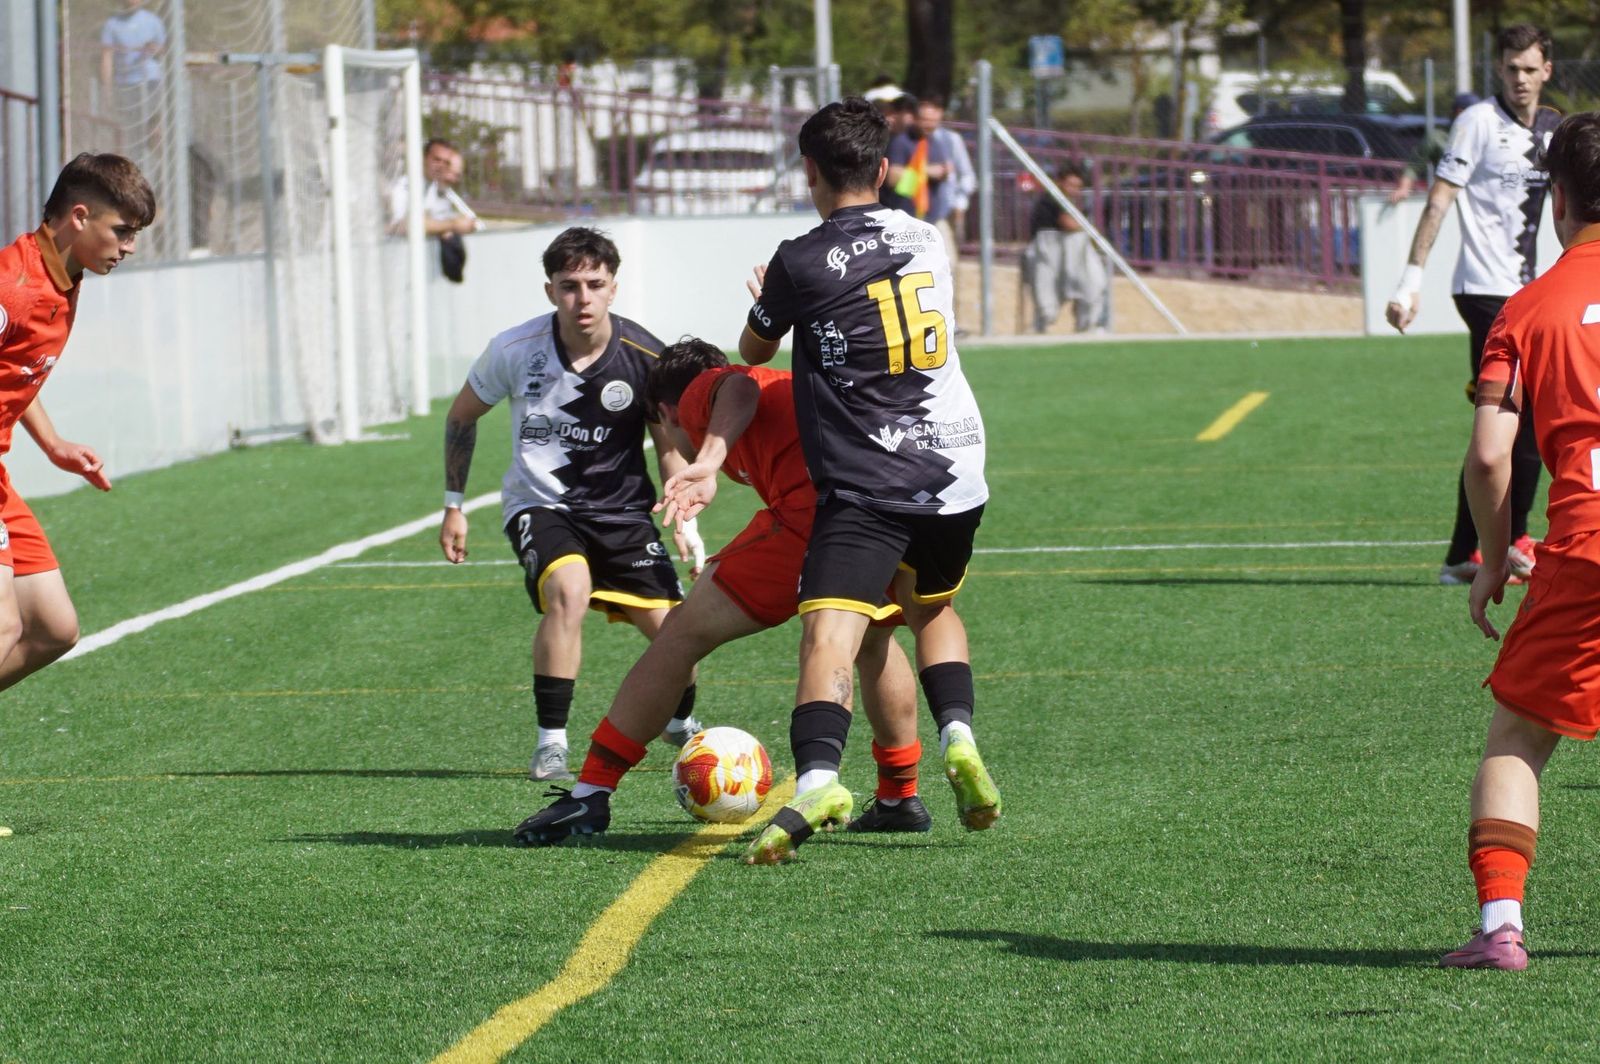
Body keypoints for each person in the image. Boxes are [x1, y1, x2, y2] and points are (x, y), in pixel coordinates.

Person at [513, 339, 934, 845]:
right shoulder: (775, 391)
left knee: (680, 634)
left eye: (665, 431)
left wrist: (710, 458)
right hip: (883, 503)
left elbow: (734, 385)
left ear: (670, 412)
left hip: (818, 515)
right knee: (873, 637)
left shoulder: (703, 390)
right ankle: (898, 795)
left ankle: (590, 793)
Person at [734, 97, 999, 865]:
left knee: (830, 631)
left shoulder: (798, 258)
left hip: (868, 477)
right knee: (933, 607)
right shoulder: (929, 235)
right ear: (884, 170)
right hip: (956, 469)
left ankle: (817, 779)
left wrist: (768, 295)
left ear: (809, 170)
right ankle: (959, 734)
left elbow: (751, 351)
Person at [438, 227, 705, 781]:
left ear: (613, 288)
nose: (581, 298)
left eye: (593, 284)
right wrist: (454, 504)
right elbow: (462, 415)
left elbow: (668, 446)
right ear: (549, 290)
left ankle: (680, 722)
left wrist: (683, 511)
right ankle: (551, 743)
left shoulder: (645, 356)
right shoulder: (513, 350)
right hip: (542, 504)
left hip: (624, 513)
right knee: (569, 590)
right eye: (568, 286)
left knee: (679, 632)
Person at [1438, 111, 1600, 971]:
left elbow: (1491, 457)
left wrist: (1495, 558)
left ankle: (1502, 927)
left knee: (1519, 737)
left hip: (1584, 554)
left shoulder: (1527, 310)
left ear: (1558, 200)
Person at [0, 154, 156, 834]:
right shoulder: (11, 289)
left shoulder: (64, 275)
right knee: (4, 626)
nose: (128, 249)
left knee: (54, 629)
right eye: (122, 232)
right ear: (79, 216)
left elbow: (17, 372)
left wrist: (53, 443)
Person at [1385, 25, 1560, 587]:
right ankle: (1510, 542)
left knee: (1506, 427)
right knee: (1520, 420)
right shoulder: (1477, 123)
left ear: (1547, 71)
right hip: (1484, 291)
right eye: (1510, 68)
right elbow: (1439, 202)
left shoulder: (1554, 129)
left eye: (1530, 69)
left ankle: (1468, 553)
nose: (1520, 79)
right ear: (1499, 71)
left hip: (1531, 292)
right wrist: (1409, 281)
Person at [1022, 161, 1109, 334]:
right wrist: (1087, 228)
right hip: (1049, 253)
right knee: (1047, 293)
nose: (1074, 190)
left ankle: (1090, 324)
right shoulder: (1052, 198)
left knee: (1093, 284)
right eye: (1070, 185)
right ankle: (1042, 325)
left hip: (1069, 256)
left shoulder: (1069, 202)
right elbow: (1068, 223)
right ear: (1060, 182)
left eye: (1078, 186)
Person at [388, 138, 481, 282]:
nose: (441, 166)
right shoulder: (403, 187)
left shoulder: (435, 189)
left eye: (446, 163)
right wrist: (451, 225)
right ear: (424, 159)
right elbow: (400, 227)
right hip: (395, 269)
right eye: (437, 160)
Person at [1387, 93, 1480, 206]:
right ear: (1459, 113)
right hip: (1447, 199)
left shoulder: (1483, 138)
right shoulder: (1437, 138)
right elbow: (1414, 166)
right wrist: (1403, 188)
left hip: (1477, 200)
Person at [99, 0, 166, 155]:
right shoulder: (112, 25)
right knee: (132, 133)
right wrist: (106, 90)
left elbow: (164, 50)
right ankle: (135, 167)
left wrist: (155, 48)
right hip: (126, 85)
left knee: (154, 129)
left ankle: (161, 165)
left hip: (151, 82)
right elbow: (106, 59)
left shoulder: (153, 21)